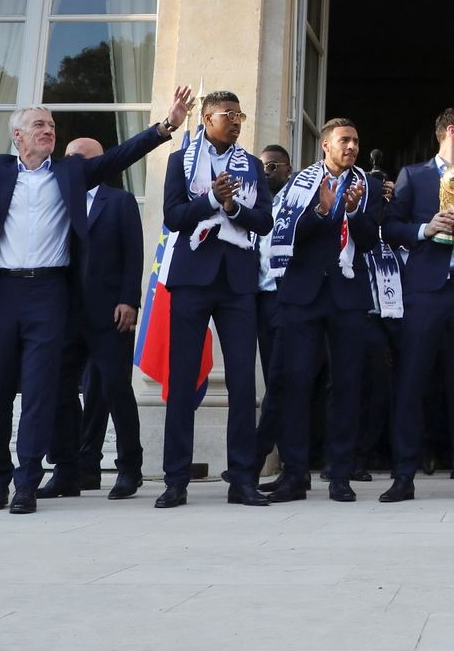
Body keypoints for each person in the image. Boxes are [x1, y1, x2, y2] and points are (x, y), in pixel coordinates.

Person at [0, 64, 191, 514]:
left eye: (51, 125)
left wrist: (166, 125)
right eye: (38, 125)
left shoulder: (70, 173)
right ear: (18, 137)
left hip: (50, 293)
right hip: (2, 294)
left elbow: (120, 156)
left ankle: (27, 482)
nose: (48, 130)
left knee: (40, 390)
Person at [156, 91, 273, 509]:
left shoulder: (253, 166)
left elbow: (264, 220)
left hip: (238, 281)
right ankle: (175, 480)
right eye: (228, 114)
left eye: (240, 114)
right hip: (192, 277)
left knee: (243, 381)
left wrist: (232, 206)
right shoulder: (180, 160)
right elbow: (172, 216)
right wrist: (209, 200)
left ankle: (242, 478)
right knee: (183, 379)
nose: (237, 121)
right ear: (206, 118)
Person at [380, 106, 454, 502]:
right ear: (453, 131)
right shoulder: (412, 176)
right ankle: (403, 476)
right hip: (424, 293)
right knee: (411, 382)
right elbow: (390, 226)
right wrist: (424, 228)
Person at [261, 119, 384, 502]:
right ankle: (295, 475)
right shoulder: (300, 185)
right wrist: (320, 213)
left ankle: (340, 475)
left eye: (356, 140)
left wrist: (352, 213)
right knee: (295, 383)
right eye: (344, 140)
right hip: (302, 295)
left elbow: (367, 242)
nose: (352, 146)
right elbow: (284, 234)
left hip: (347, 295)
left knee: (346, 386)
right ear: (325, 146)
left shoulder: (368, 185)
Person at [39, 138, 146, 502]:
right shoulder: (56, 200)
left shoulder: (120, 201)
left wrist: (129, 300)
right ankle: (68, 470)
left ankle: (130, 468)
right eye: (68, 158)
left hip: (109, 313)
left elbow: (133, 254)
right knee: (59, 392)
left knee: (116, 389)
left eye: (81, 159)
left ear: (102, 163)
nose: (72, 165)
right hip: (64, 313)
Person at [253, 143, 293, 471]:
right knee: (273, 378)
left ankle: (255, 456)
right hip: (254, 300)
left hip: (284, 298)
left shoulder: (295, 202)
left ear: (287, 170)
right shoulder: (252, 203)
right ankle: (293, 463)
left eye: (272, 167)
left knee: (281, 377)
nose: (266, 172)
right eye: (262, 167)